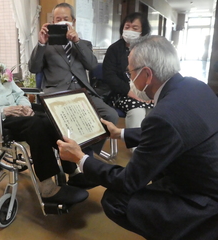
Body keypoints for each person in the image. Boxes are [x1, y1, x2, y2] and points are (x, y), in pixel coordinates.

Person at [56, 35, 218, 239]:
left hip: (206, 202)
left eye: (130, 71)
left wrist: (80, 158)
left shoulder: (163, 116)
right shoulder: (195, 86)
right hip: (207, 177)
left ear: (147, 74)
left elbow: (128, 181)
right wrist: (120, 133)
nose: (129, 78)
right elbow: (174, 131)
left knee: (115, 201)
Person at [0, 23, 93, 205]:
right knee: (37, 125)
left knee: (51, 118)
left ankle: (72, 172)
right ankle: (47, 187)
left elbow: (18, 93)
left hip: (17, 114)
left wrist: (25, 106)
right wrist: (5, 111)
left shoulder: (1, 68)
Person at [28, 2, 119, 153]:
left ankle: (86, 151)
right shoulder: (46, 45)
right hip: (58, 93)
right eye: (58, 19)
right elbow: (33, 68)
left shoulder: (84, 44)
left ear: (73, 22)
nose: (62, 22)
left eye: (66, 18)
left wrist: (76, 42)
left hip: (82, 91)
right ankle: (75, 154)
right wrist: (41, 44)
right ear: (53, 22)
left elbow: (91, 65)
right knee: (68, 122)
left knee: (111, 115)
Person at [103, 12, 153, 130]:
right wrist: (131, 93)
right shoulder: (114, 49)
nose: (130, 30)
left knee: (155, 109)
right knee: (138, 110)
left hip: (145, 93)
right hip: (120, 93)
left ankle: (150, 145)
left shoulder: (149, 50)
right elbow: (109, 76)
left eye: (135, 28)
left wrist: (152, 94)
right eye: (127, 27)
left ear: (143, 31)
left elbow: (154, 74)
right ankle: (135, 147)